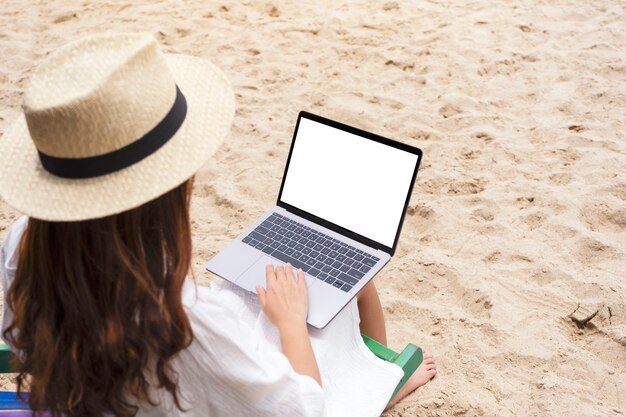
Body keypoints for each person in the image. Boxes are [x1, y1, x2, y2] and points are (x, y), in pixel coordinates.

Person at [0, 33, 436, 417]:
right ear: (170, 187)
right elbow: (306, 411)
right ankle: (381, 387)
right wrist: (289, 321)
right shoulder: (182, 327)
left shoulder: (24, 244)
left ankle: (377, 375)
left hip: (83, 398)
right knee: (304, 323)